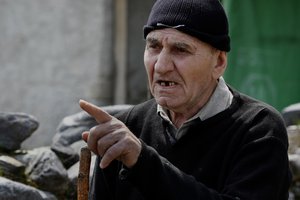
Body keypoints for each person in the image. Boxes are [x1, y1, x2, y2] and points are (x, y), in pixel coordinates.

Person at [79, 0, 292, 199]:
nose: (161, 66)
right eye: (154, 46)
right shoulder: (129, 126)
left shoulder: (259, 128)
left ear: (218, 62)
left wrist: (142, 162)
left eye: (180, 50)